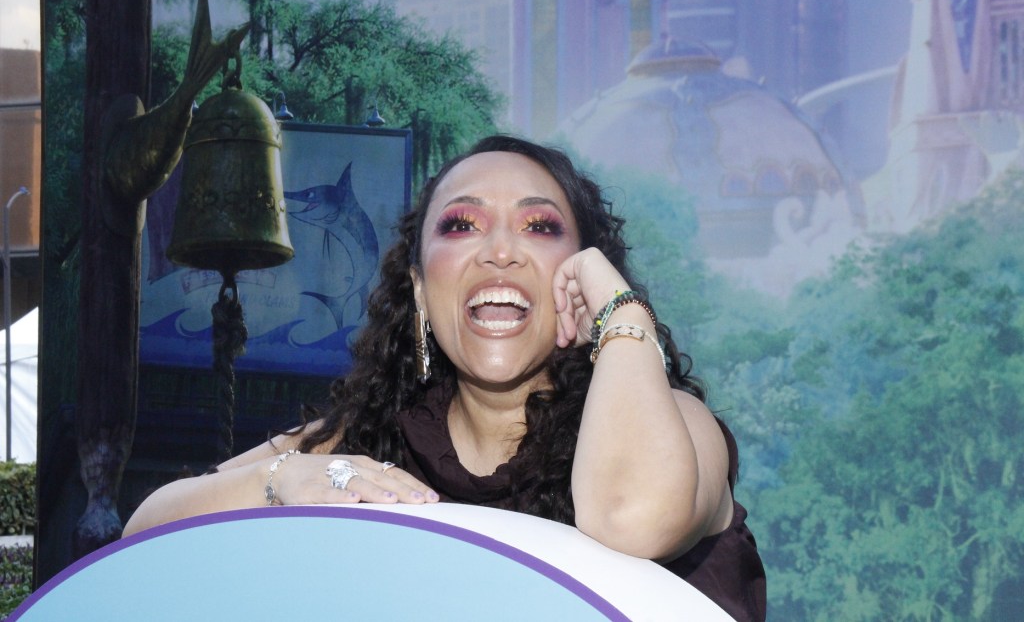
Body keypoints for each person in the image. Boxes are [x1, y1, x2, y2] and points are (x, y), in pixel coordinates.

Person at [124, 134, 766, 620]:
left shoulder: (676, 426)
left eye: (540, 227)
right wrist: (279, 479)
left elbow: (631, 516)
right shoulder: (370, 440)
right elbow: (144, 536)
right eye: (462, 225)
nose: (500, 251)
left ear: (581, 277)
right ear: (421, 292)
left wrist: (621, 315)